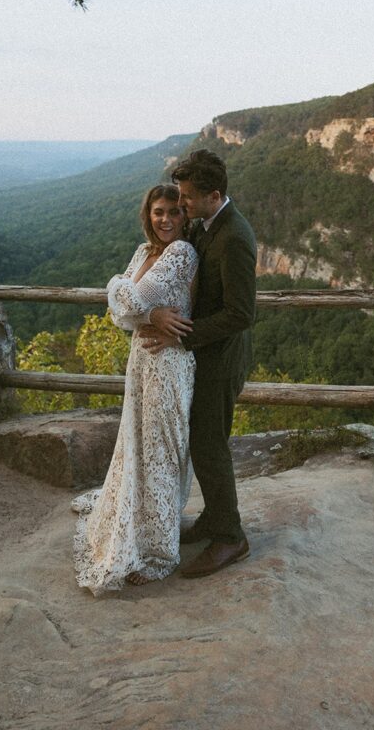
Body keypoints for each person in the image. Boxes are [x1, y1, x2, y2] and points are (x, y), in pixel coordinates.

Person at [72, 183, 198, 596]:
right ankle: (142, 530)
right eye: (159, 211)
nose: (166, 219)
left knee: (161, 451)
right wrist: (146, 312)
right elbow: (121, 316)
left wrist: (123, 294)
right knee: (138, 447)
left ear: (186, 217)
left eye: (175, 212)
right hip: (141, 361)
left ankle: (160, 554)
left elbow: (128, 299)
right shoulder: (144, 252)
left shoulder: (182, 253)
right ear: (148, 213)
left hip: (168, 363)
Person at [142, 149, 257, 578]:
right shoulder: (209, 224)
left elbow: (242, 313)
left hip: (221, 361)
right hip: (206, 357)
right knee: (202, 442)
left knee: (210, 445)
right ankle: (215, 518)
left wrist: (181, 333)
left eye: (187, 198)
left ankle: (231, 538)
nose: (181, 204)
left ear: (213, 194)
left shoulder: (234, 237)